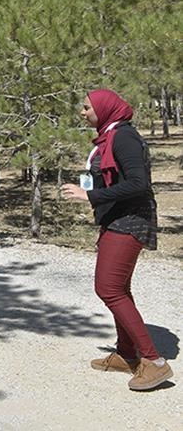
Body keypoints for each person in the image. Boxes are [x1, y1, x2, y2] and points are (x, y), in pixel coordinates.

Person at [60, 89, 174, 391]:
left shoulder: (123, 137)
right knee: (119, 287)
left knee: (108, 288)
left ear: (103, 108)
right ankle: (127, 354)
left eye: (86, 108)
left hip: (132, 219)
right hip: (118, 218)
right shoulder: (108, 135)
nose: (82, 112)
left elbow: (139, 184)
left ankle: (155, 362)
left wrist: (90, 195)